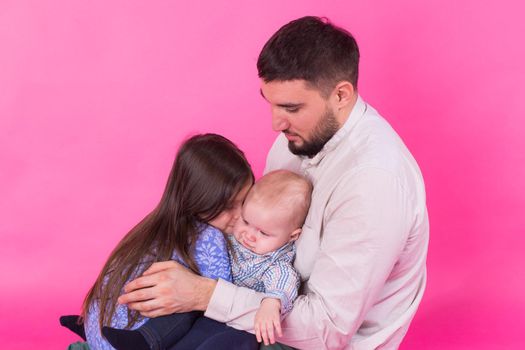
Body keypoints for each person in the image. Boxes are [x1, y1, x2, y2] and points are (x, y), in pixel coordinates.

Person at [119, 16, 429, 350]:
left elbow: (327, 332)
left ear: (341, 95)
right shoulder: (295, 139)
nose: (275, 123)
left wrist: (203, 294)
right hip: (264, 306)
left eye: (291, 108)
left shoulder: (374, 182)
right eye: (270, 103)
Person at [65, 133, 255, 350]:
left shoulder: (150, 230)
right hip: (147, 337)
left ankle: (88, 328)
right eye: (229, 206)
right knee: (232, 331)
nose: (241, 215)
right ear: (201, 202)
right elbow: (220, 295)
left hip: (101, 332)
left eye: (246, 200)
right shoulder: (210, 237)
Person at [102, 170, 312, 349]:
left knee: (233, 341)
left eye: (263, 233)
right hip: (204, 304)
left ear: (292, 236)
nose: (249, 234)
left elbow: (284, 284)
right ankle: (145, 340)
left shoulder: (275, 265)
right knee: (179, 310)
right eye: (246, 221)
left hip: (236, 321)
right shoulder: (234, 236)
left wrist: (271, 303)